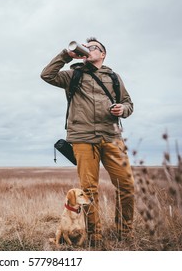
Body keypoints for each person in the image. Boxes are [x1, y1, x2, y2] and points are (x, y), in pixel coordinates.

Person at [40, 37, 135, 247]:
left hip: (111, 136)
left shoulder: (114, 77)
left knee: (127, 185)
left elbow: (128, 103)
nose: (90, 49)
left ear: (103, 54)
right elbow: (46, 75)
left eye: (95, 48)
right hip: (83, 139)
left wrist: (123, 109)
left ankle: (124, 233)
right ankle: (95, 236)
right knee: (89, 191)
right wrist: (66, 55)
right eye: (87, 47)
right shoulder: (73, 74)